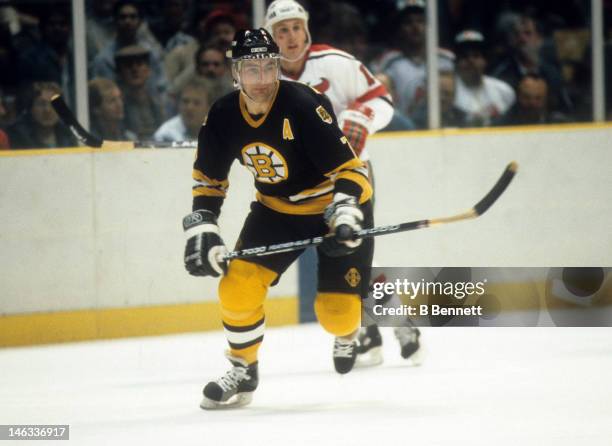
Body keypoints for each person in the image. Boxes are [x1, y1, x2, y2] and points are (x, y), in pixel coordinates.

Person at [183, 28, 374, 409]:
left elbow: (352, 173)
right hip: (276, 211)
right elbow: (209, 182)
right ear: (235, 73)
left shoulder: (303, 104)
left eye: (269, 67)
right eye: (251, 70)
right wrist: (203, 227)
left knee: (336, 316)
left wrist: (346, 215)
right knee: (236, 289)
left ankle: (351, 330)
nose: (262, 79)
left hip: (332, 208)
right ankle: (244, 369)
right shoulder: (222, 114)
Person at [264, 0, 420, 366]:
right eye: (281, 30)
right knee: (347, 254)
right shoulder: (262, 77)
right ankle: (383, 328)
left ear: (307, 29)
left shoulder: (335, 63)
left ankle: (380, 329)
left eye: (295, 27)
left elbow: (380, 99)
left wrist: (360, 118)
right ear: (271, 38)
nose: (290, 36)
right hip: (304, 185)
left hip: (351, 176)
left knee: (350, 250)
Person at [453, 30, 515, 127]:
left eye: (476, 55)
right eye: (464, 56)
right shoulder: (449, 93)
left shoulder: (503, 91)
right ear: (456, 63)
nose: (471, 61)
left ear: (485, 61)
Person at [114, 45, 166, 140]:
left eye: (139, 64)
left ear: (148, 70)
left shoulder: (161, 101)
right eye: (129, 65)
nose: (135, 69)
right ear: (120, 72)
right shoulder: (117, 106)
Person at [6, 81, 76, 149]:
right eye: (41, 104)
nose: (47, 110)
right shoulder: (18, 137)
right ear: (30, 109)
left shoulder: (68, 135)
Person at [497, 74, 568, 126]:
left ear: (546, 98)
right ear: (518, 97)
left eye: (538, 98)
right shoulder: (503, 125)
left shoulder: (559, 124)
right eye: (526, 97)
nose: (532, 103)